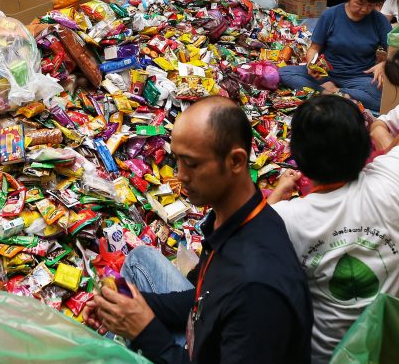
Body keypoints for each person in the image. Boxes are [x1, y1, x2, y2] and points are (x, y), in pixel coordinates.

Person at [86, 97, 312, 364]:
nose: (180, 175)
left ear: (236, 161)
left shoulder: (257, 290)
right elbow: (203, 301)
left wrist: (145, 330)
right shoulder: (233, 220)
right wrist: (128, 306)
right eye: (177, 160)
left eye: (191, 164)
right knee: (140, 259)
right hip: (207, 336)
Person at [267, 96, 399, 363]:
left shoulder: (286, 218)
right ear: (364, 147)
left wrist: (278, 193)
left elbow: (252, 236)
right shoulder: (394, 180)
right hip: (394, 352)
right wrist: (384, 143)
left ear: (298, 156)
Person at [278, 0, 391, 110]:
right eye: (360, 4)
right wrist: (311, 65)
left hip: (359, 78)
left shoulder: (379, 21)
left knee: (381, 99)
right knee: (284, 73)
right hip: (326, 74)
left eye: (370, 5)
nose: (364, 9)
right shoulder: (330, 15)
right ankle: (336, 95)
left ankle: (332, 93)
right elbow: (314, 48)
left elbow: (395, 53)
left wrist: (385, 64)